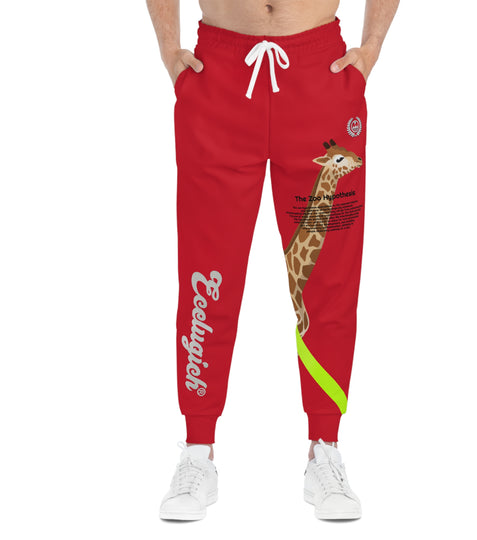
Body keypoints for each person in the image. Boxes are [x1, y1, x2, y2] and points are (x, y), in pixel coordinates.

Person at [146, 0, 399, 521]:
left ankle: (324, 447)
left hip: (320, 74)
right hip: (219, 75)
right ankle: (197, 449)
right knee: (206, 271)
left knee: (327, 276)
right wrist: (170, 50)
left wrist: (371, 47)